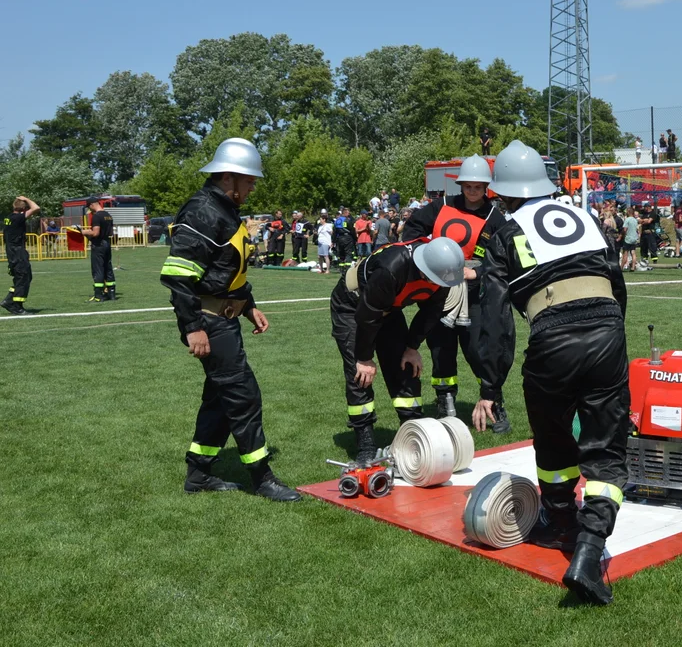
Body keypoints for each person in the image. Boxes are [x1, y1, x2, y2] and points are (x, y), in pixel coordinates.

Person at [472, 139, 628, 606]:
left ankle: (559, 523)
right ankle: (589, 549)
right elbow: (616, 281)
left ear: (504, 195)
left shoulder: (502, 233)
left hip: (550, 337)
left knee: (553, 439)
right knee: (606, 452)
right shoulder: (584, 215)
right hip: (606, 328)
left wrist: (489, 385)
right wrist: (612, 336)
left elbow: (495, 316)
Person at [160, 138, 299, 501]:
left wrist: (249, 305)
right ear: (228, 177)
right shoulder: (203, 211)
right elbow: (178, 276)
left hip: (224, 318)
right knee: (243, 395)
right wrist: (193, 328)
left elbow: (225, 269)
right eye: (249, 181)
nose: (253, 187)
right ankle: (262, 477)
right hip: (209, 322)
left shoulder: (224, 209)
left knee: (221, 399)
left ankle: (199, 473)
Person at [330, 237, 466, 461]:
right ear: (424, 269)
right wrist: (364, 358)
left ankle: (413, 429)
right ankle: (365, 440)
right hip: (353, 306)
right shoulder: (392, 268)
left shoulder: (443, 275)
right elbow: (367, 317)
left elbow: (431, 312)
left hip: (388, 309)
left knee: (404, 367)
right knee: (360, 374)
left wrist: (412, 347)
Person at [403, 154, 510, 430]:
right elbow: (413, 228)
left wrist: (479, 271)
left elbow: (505, 257)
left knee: (477, 350)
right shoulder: (441, 206)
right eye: (467, 187)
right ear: (460, 186)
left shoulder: (494, 217)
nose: (472, 192)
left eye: (478, 187)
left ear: (486, 188)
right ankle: (445, 402)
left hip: (475, 296)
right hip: (438, 291)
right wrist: (425, 251)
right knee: (440, 349)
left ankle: (493, 401)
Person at [2, 195, 40, 315]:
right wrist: (26, 199)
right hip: (17, 252)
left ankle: (8, 301)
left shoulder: (9, 217)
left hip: (12, 252)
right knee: (23, 278)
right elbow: (36, 208)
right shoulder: (18, 218)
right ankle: (17, 306)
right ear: (24, 209)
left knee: (22, 278)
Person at [80, 197, 115, 302]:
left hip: (98, 245)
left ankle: (98, 295)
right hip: (107, 243)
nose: (90, 210)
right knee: (108, 268)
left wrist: (83, 232)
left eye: (89, 207)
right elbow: (111, 233)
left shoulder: (96, 216)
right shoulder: (108, 216)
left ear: (92, 205)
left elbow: (95, 233)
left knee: (98, 269)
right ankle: (111, 294)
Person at [621, 206, 639, 271]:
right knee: (633, 253)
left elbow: (625, 229)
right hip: (634, 238)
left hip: (628, 239)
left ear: (628, 212)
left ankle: (621, 267)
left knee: (625, 253)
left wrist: (623, 234)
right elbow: (637, 229)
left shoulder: (627, 219)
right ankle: (633, 267)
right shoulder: (635, 220)